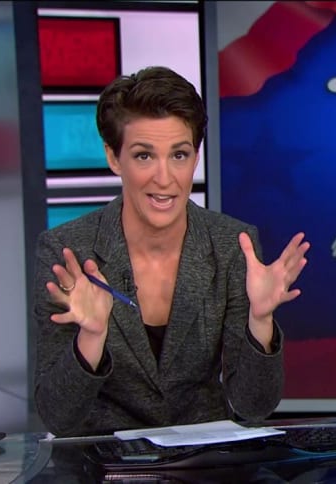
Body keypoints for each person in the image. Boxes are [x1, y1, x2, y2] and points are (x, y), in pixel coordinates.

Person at [32, 66, 310, 437]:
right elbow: (57, 417)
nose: (164, 178)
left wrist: (260, 322)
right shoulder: (67, 252)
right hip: (103, 459)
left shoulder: (232, 245)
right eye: (144, 156)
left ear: (195, 157)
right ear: (114, 157)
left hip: (205, 458)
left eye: (179, 155)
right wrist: (91, 338)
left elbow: (254, 406)